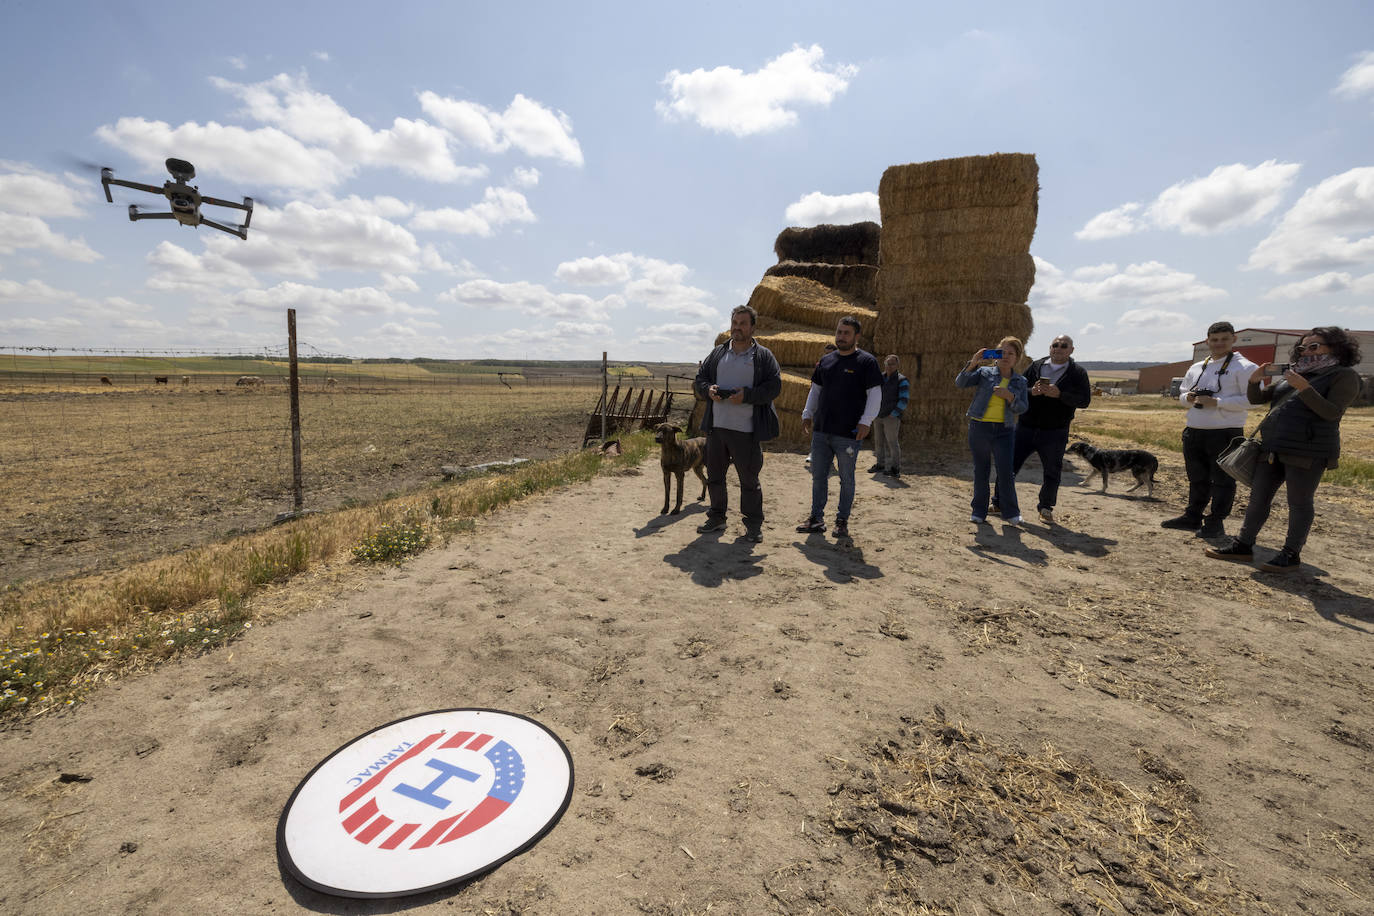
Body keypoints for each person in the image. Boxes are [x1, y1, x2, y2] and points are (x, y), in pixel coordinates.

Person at [1205, 327, 1363, 573]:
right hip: (1272, 447)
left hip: (1308, 450)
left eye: (1315, 346)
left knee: (1298, 503)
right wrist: (1254, 381)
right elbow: (1260, 399)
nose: (1307, 351)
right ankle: (1243, 545)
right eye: (1302, 348)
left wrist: (1304, 388)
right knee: (1258, 498)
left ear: (1335, 347)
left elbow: (1332, 412)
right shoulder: (1296, 372)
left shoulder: (1342, 375)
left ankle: (1291, 554)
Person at [693, 305, 782, 543]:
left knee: (749, 481)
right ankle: (717, 516)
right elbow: (699, 380)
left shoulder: (763, 357)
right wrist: (707, 390)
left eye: (743, 323)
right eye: (734, 323)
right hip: (717, 428)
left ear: (753, 327)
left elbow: (774, 387)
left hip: (746, 431)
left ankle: (753, 525)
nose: (737, 328)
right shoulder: (718, 353)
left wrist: (748, 396)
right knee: (715, 477)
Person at [1161, 321, 1258, 538]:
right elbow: (1183, 395)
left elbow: (1254, 400)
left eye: (1224, 339)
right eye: (1214, 340)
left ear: (1233, 339)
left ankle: (1215, 522)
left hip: (1225, 432)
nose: (1219, 344)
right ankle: (1192, 516)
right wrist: (1190, 398)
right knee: (1197, 477)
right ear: (1207, 341)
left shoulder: (1245, 367)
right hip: (1194, 429)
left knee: (1223, 480)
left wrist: (1218, 402)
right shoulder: (1197, 367)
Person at [796, 317, 883, 539]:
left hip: (849, 433)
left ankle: (842, 521)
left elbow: (875, 394)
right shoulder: (826, 361)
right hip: (822, 430)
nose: (841, 336)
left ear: (856, 337)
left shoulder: (866, 362)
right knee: (818, 476)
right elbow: (815, 389)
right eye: (839, 332)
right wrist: (807, 413)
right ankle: (816, 519)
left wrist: (866, 421)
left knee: (846, 478)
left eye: (846, 333)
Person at [994, 334, 1091, 524]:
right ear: (1050, 347)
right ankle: (998, 502)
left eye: (1064, 346)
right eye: (1055, 344)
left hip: (1055, 431)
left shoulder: (1078, 373)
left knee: (1052, 472)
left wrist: (1060, 395)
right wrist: (1033, 391)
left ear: (1071, 350)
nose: (1058, 348)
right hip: (1026, 427)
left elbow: (1084, 401)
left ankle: (1045, 508)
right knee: (1008, 466)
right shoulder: (1036, 366)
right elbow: (1020, 389)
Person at [956, 336, 1030, 525]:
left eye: (1011, 353)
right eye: (1002, 352)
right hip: (979, 427)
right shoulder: (984, 372)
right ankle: (979, 511)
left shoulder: (1020, 381)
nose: (1006, 356)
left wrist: (1010, 397)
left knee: (1005, 472)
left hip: (1004, 431)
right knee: (981, 470)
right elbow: (961, 383)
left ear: (1017, 357)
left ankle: (1011, 512)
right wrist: (973, 363)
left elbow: (1022, 408)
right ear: (995, 355)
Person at [868, 355, 909, 478]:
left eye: (892, 364)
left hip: (891, 416)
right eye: (887, 363)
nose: (889, 366)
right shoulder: (880, 378)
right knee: (878, 441)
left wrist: (894, 413)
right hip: (878, 414)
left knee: (892, 442)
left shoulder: (902, 380)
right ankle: (880, 465)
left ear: (897, 366)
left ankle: (895, 468)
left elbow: (904, 400)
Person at [805, 342, 838, 472]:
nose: (827, 356)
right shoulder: (820, 365)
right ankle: (814, 453)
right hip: (821, 403)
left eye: (829, 353)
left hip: (835, 404)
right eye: (826, 353)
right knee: (818, 428)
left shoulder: (841, 366)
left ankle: (828, 458)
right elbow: (815, 385)